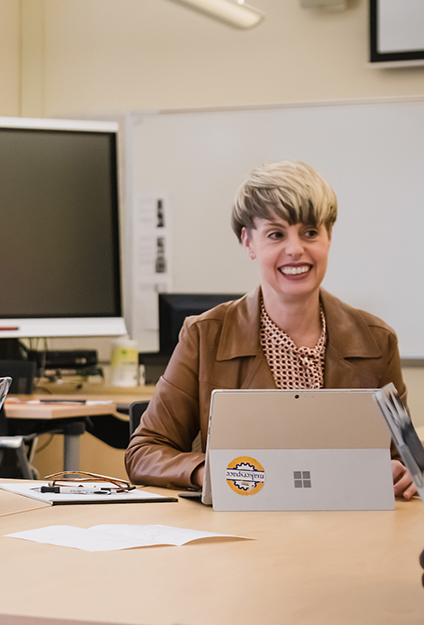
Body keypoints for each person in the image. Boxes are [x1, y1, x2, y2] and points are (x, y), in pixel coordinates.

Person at [125, 160, 415, 499]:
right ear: (249, 242)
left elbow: (404, 458)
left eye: (310, 232)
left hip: (348, 530)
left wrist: (407, 473)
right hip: (241, 535)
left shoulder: (377, 340)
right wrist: (207, 472)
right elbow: (144, 451)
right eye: (276, 234)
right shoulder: (204, 336)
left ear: (329, 237)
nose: (295, 249)